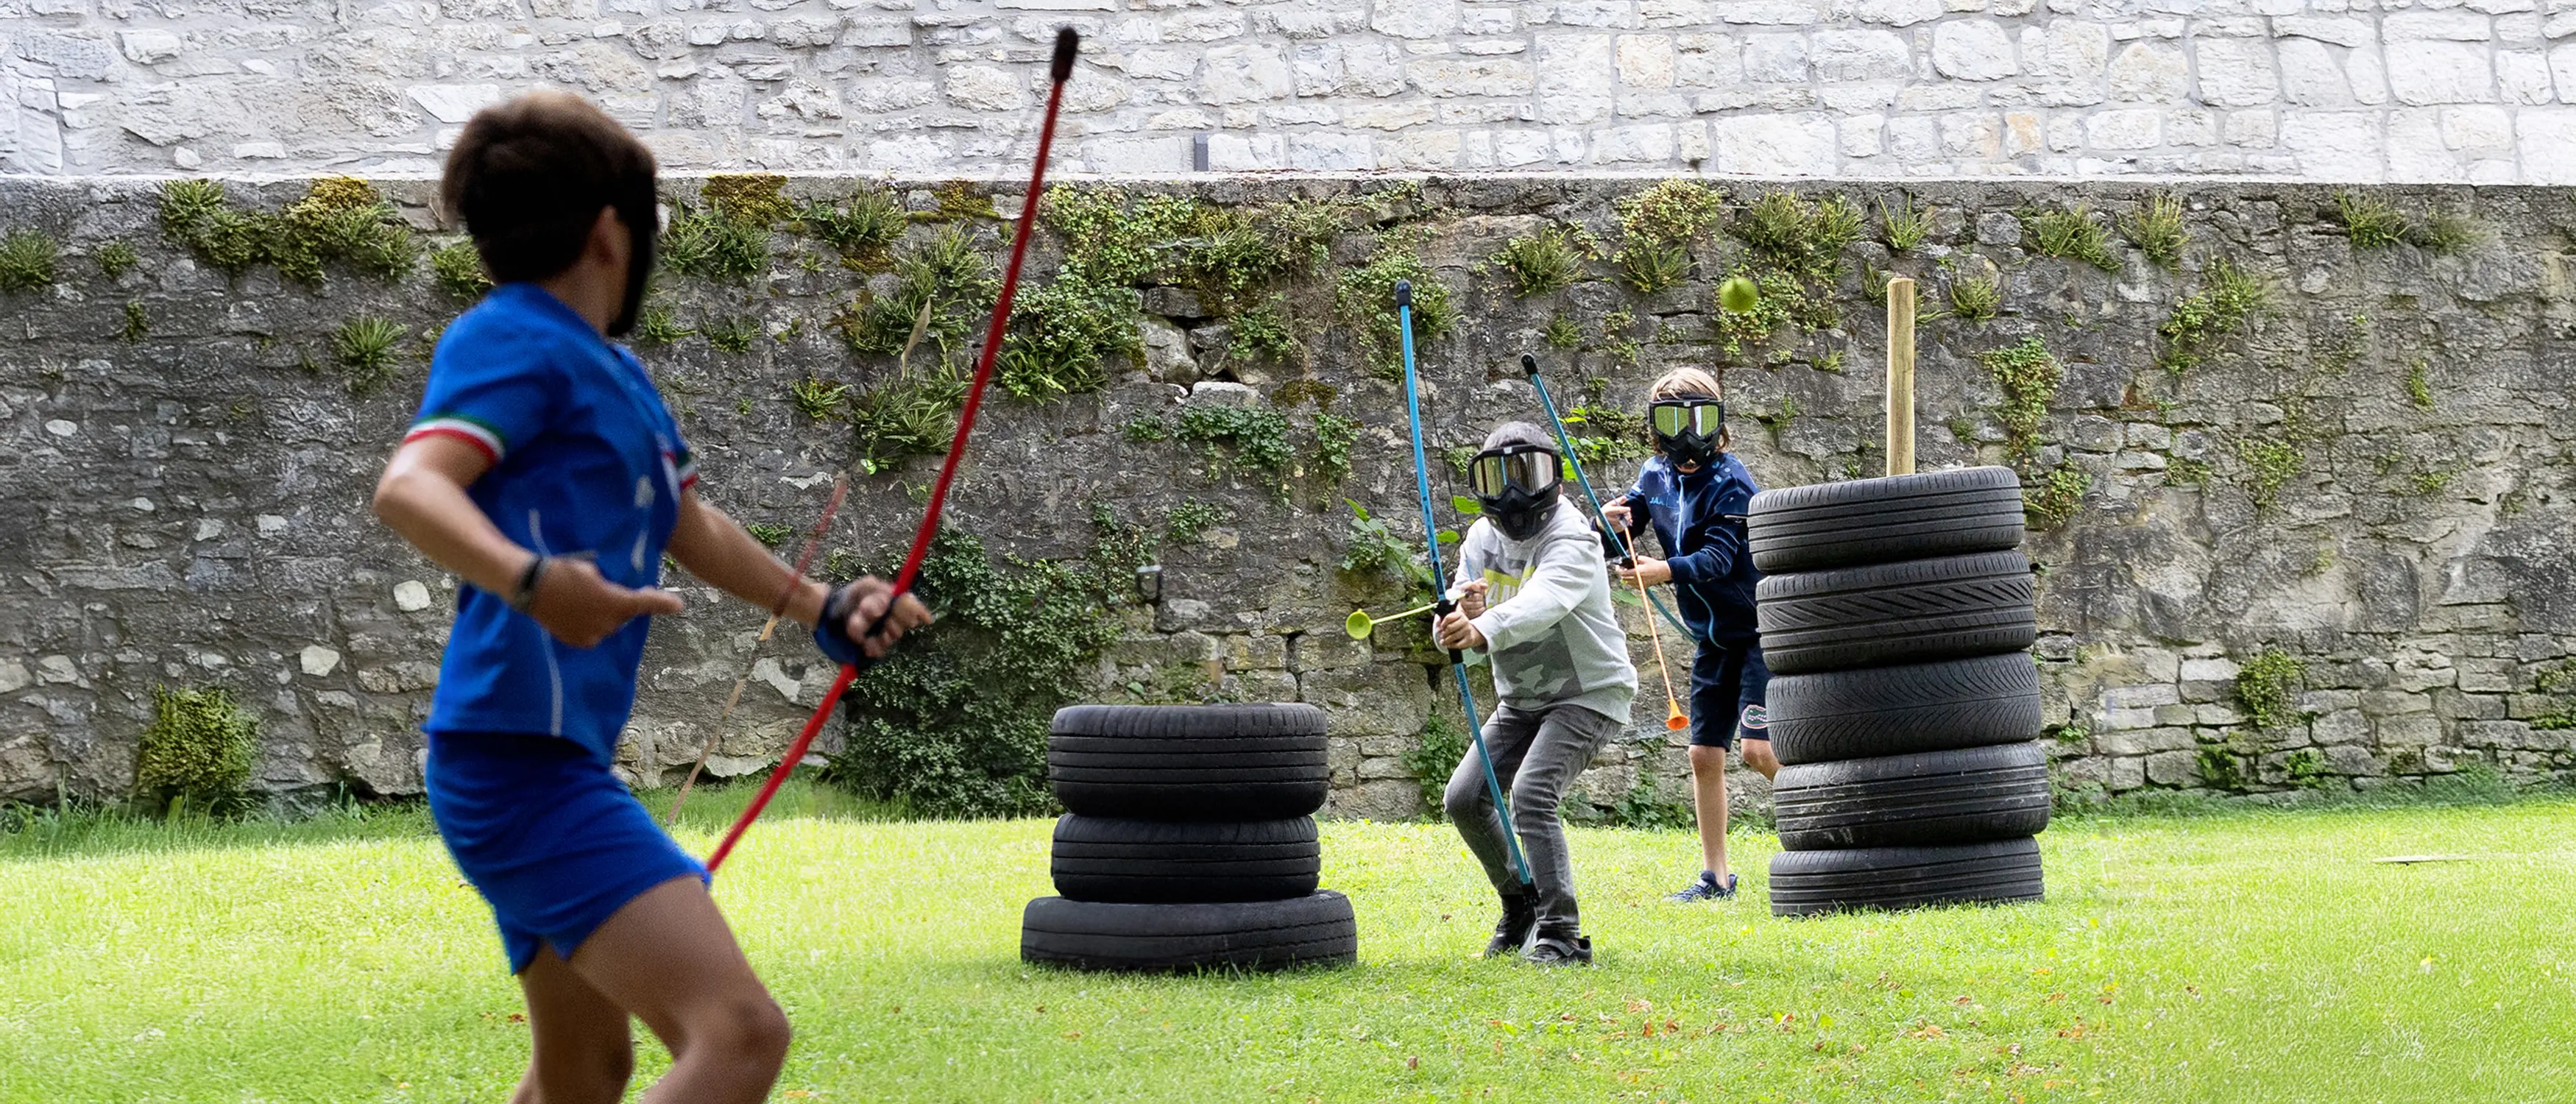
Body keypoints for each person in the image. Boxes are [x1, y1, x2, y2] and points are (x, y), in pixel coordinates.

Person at [370, 91, 930, 1104]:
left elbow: (687, 523)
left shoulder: (615, 375)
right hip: (516, 766)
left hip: (539, 762)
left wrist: (824, 606)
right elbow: (410, 485)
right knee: (740, 1034)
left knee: (584, 1075)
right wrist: (535, 582)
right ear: (609, 231)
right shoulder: (513, 338)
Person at [1434, 422, 1638, 966]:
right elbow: (1458, 613)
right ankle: (1520, 905)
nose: (1513, 491)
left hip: (1589, 693)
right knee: (1464, 799)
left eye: (1528, 473)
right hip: (1523, 699)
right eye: (1497, 476)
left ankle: (1561, 934)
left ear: (1554, 476)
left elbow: (1543, 603)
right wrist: (1457, 623)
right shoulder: (1481, 538)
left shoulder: (1573, 538)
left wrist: (1484, 627)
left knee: (1531, 793)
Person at [1597, 367, 1776, 905]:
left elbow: (1719, 559)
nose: (1687, 434)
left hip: (1758, 634)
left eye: (1700, 418)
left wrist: (1661, 571)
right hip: (1712, 640)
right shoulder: (1654, 474)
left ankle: (1829, 828)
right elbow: (1615, 538)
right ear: (1657, 425)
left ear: (1717, 422)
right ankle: (1716, 878)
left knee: (1758, 751)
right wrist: (1604, 524)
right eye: (1673, 419)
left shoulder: (1733, 482)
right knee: (1703, 754)